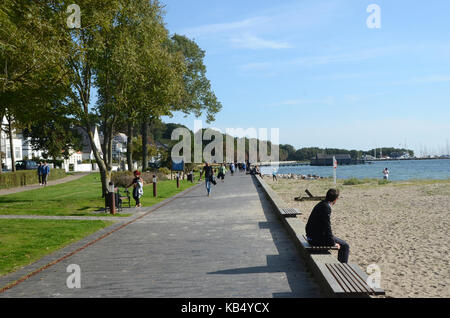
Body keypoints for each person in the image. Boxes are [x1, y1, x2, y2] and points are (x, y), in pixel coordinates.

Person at [305, 189, 350, 263]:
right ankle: (343, 267)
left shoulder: (320, 204)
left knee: (339, 241)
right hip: (314, 240)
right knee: (345, 246)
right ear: (336, 199)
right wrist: (333, 243)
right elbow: (327, 227)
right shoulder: (326, 208)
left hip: (311, 236)